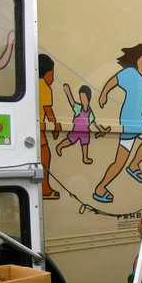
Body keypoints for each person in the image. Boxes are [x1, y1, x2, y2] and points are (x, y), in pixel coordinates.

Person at [93, 44, 142, 203]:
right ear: (137, 60)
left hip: (135, 122)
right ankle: (131, 167)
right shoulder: (130, 73)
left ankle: (103, 186)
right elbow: (113, 80)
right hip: (130, 121)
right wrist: (104, 94)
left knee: (122, 159)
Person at [56, 84, 110, 164]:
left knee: (85, 143)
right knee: (70, 140)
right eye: (81, 98)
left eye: (84, 98)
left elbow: (94, 123)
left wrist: (102, 129)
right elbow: (72, 102)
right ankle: (59, 146)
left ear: (88, 99)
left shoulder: (90, 112)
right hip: (76, 130)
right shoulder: (78, 108)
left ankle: (85, 157)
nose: (82, 100)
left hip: (85, 132)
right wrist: (67, 91)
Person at [38, 54, 62, 199]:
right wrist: (55, 126)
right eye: (52, 74)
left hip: (36, 127)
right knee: (45, 156)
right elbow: (48, 111)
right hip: (38, 129)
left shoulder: (33, 83)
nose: (53, 78)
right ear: (46, 73)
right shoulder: (44, 87)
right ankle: (45, 189)